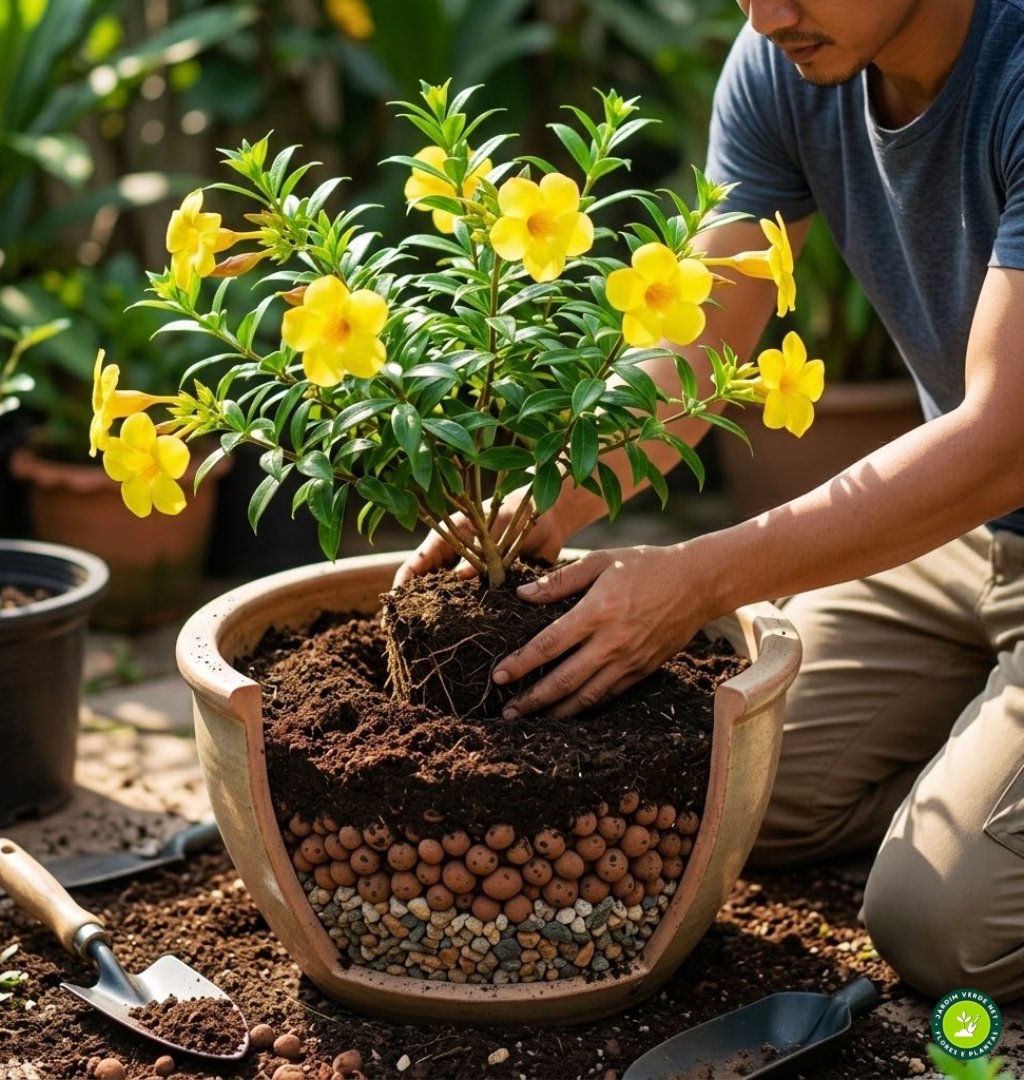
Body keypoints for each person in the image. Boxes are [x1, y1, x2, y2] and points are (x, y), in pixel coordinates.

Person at [395, 0, 1024, 1002]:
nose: (769, 13)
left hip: (994, 475)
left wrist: (697, 579)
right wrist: (544, 504)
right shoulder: (792, 58)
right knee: (728, 786)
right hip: (969, 540)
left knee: (939, 927)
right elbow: (704, 345)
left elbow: (1003, 441)